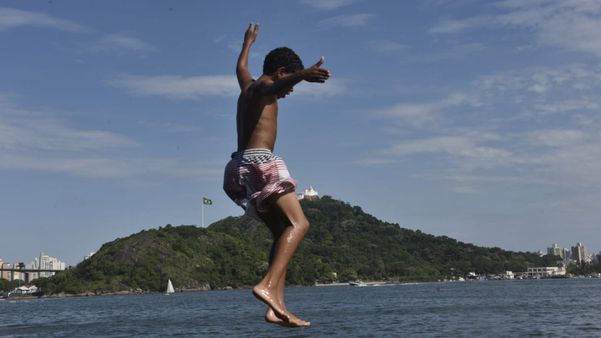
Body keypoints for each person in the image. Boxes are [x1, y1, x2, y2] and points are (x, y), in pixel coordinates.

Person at [223, 23, 330, 327]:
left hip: (238, 167)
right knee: (300, 223)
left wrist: (247, 43)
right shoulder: (263, 87)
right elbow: (273, 87)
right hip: (260, 162)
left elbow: (240, 67)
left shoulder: (247, 87)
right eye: (290, 83)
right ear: (281, 72)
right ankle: (266, 286)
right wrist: (304, 74)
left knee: (283, 233)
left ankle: (276, 306)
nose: (290, 91)